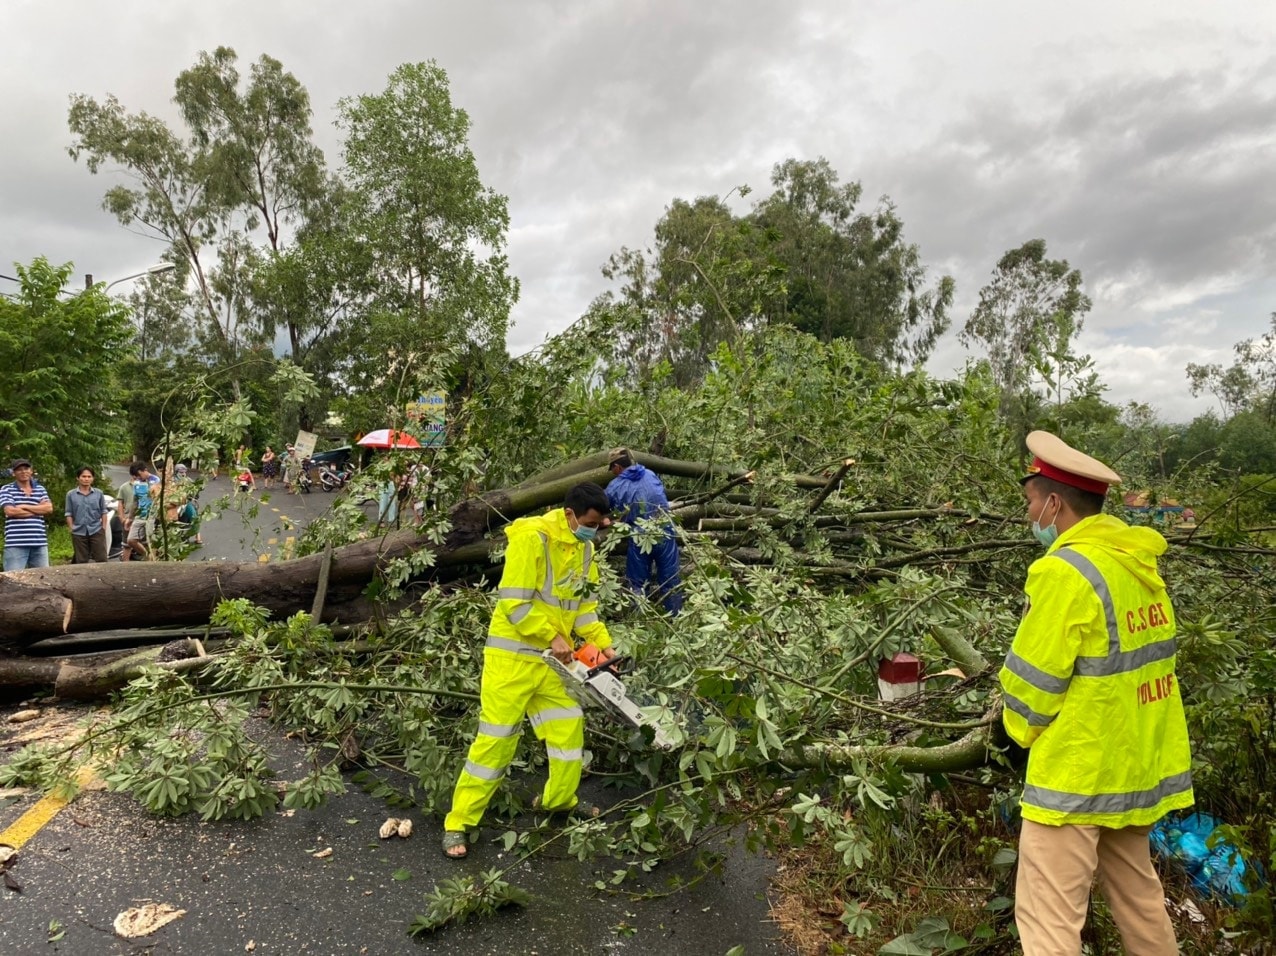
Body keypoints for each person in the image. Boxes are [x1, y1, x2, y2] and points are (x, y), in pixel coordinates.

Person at [999, 431, 1192, 955]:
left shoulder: (1064, 571)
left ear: (1054, 503)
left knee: (1048, 921)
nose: (1029, 515)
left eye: (1030, 503)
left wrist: (1011, 731)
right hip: (1132, 768)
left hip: (1074, 773)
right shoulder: (1137, 565)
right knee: (1139, 900)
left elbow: (1035, 682)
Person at [442, 483, 616, 859]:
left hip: (555, 664)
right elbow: (514, 603)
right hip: (513, 660)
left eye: (598, 524)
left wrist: (604, 645)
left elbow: (585, 606)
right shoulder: (531, 538)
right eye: (589, 522)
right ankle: (458, 823)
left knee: (568, 731)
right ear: (570, 514)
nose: (594, 529)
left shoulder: (584, 548)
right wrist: (550, 634)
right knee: (496, 740)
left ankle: (559, 802)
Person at [604, 447, 683, 614]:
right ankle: (676, 618)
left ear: (617, 467)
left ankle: (639, 619)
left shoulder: (614, 486)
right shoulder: (650, 474)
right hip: (664, 532)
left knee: (637, 582)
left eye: (612, 469)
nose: (612, 473)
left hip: (640, 537)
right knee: (670, 580)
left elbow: (602, 507)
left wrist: (607, 520)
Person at [1, 458, 53, 571]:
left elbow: (49, 509)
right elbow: (10, 511)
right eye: (19, 470)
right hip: (15, 544)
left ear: (31, 471)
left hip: (39, 542)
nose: (23, 472)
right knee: (13, 580)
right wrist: (38, 509)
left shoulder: (40, 489)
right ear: (13, 473)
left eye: (26, 468)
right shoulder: (6, 489)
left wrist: (24, 506)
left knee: (43, 580)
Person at [64, 466, 110, 563]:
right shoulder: (71, 494)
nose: (86, 479)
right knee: (81, 560)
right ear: (78, 478)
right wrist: (72, 528)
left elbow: (103, 512)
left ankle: (102, 578)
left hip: (96, 529)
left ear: (92, 479)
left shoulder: (99, 493)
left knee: (102, 558)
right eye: (83, 476)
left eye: (89, 476)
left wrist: (103, 528)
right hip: (78, 531)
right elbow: (68, 513)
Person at [119, 461, 155, 561]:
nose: (137, 478)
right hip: (139, 516)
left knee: (150, 542)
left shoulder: (156, 480)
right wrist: (129, 519)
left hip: (152, 516)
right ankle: (148, 555)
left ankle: (153, 561)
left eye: (139, 475)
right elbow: (135, 502)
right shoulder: (137, 483)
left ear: (145, 471)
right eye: (135, 477)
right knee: (130, 540)